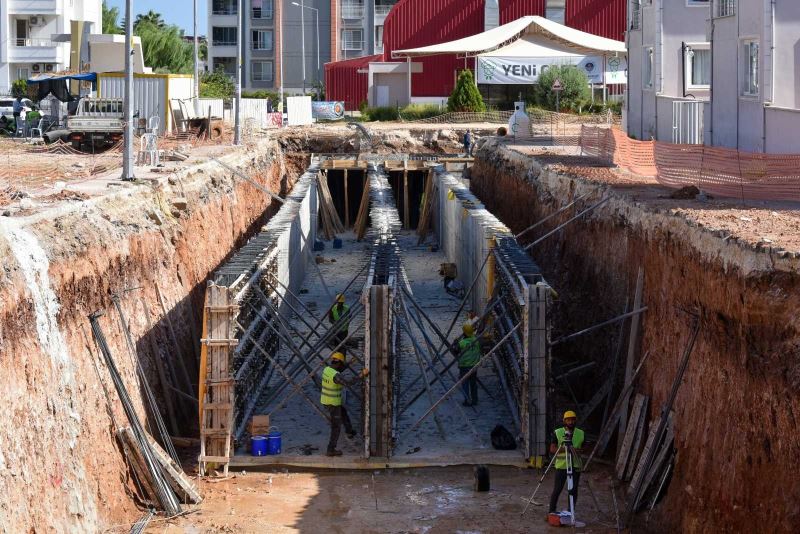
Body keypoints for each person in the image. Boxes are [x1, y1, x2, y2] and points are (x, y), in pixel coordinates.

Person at [320, 352, 368, 456]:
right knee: (336, 426)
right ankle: (331, 449)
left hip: (327, 400)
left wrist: (349, 363)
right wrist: (361, 375)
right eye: (342, 364)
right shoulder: (336, 376)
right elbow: (348, 383)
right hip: (332, 403)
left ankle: (349, 430)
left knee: (344, 413)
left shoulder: (327, 369)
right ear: (339, 363)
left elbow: (339, 370)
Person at [548, 410, 585, 516]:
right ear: (564, 421)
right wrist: (566, 449)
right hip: (562, 466)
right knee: (557, 489)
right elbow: (552, 449)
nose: (571, 422)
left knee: (573, 490)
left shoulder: (581, 433)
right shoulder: (558, 432)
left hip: (575, 465)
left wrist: (579, 451)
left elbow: (585, 449)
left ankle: (571, 511)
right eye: (568, 420)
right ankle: (551, 511)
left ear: (575, 420)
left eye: (573, 420)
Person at [453, 323, 481, 406]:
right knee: (473, 383)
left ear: (464, 333)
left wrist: (455, 343)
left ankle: (467, 400)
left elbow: (455, 351)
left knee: (465, 384)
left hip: (464, 366)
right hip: (474, 366)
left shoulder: (462, 343)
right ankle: (475, 399)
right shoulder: (476, 341)